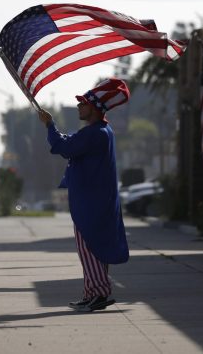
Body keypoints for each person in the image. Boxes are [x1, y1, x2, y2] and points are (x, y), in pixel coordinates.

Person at [37, 78, 130, 312]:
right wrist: (52, 127)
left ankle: (99, 292)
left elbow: (64, 147)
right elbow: (70, 144)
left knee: (90, 249)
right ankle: (91, 292)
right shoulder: (98, 132)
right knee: (92, 249)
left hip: (92, 203)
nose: (79, 106)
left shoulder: (96, 133)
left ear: (95, 108)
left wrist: (50, 125)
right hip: (94, 200)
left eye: (83, 103)